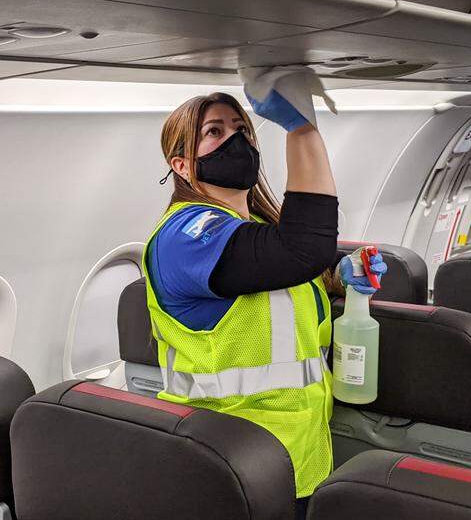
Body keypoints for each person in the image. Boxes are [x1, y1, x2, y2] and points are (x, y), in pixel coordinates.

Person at [140, 66, 383, 517]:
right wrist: (303, 128)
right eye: (214, 132)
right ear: (181, 165)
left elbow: (285, 277)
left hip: (297, 452)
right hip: (230, 457)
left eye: (242, 130)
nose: (235, 141)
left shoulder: (251, 231)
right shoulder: (185, 235)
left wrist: (340, 280)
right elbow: (299, 250)